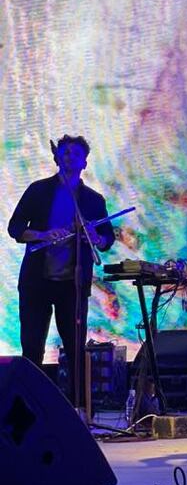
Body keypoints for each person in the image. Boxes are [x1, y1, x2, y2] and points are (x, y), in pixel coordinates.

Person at [7, 135, 115, 403]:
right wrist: (44, 235)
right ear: (57, 158)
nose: (69, 157)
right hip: (36, 283)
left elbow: (106, 240)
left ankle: (78, 411)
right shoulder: (38, 190)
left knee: (75, 349)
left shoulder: (92, 200)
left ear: (84, 163)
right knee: (32, 348)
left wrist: (94, 235)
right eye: (65, 152)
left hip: (73, 286)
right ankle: (31, 408)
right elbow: (15, 228)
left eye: (75, 154)